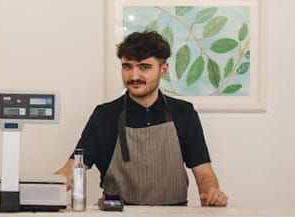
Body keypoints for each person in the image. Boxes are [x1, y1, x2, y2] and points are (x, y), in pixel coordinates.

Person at [55, 30, 228, 206]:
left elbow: (204, 173)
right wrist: (41, 189)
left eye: (144, 67)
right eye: (127, 67)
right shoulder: (105, 115)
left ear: (163, 70)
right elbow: (72, 169)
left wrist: (212, 194)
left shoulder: (183, 113)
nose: (134, 76)